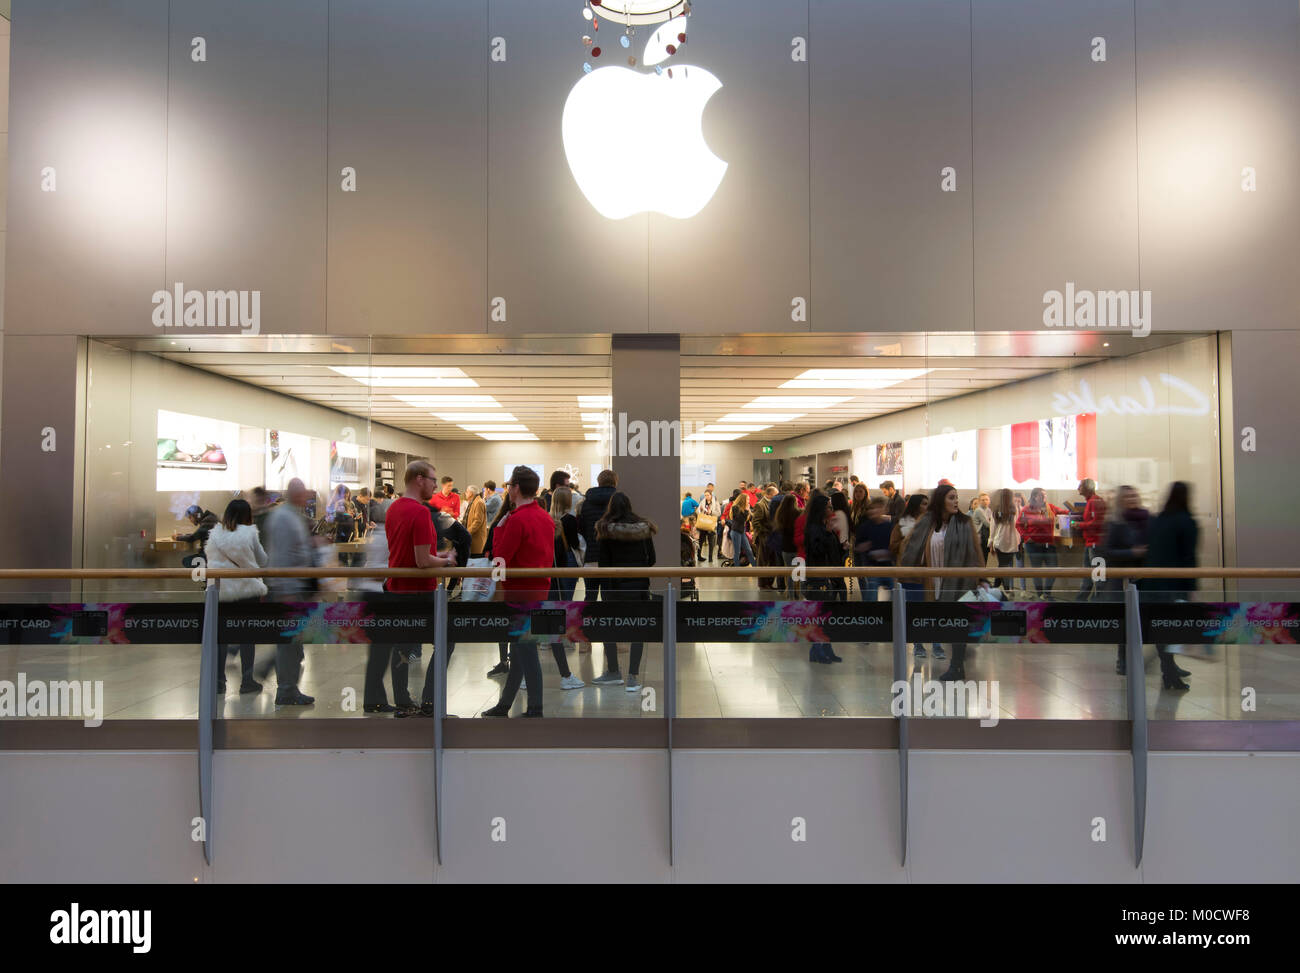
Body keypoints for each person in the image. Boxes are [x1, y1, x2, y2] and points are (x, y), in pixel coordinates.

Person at [366, 461, 458, 716]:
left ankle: (403, 701)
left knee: (402, 646)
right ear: (419, 479)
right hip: (419, 591)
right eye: (432, 479)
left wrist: (435, 554)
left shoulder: (395, 508)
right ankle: (429, 702)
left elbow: (410, 552)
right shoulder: (418, 512)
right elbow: (422, 561)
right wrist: (446, 560)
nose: (435, 485)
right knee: (446, 641)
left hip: (397, 589)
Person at [482, 466, 555, 717]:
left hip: (518, 593)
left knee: (526, 651)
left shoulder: (516, 520)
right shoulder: (543, 516)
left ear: (515, 488)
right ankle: (504, 705)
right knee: (521, 649)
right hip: (538, 590)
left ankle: (535, 707)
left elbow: (500, 557)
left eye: (509, 485)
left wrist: (500, 528)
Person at [900, 483, 988, 681]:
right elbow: (912, 546)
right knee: (946, 625)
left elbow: (975, 551)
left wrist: (981, 578)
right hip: (934, 583)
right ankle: (956, 666)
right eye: (951, 497)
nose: (956, 501)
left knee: (957, 625)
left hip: (959, 583)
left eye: (957, 497)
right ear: (940, 501)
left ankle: (956, 666)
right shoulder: (926, 522)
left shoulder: (964, 523)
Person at [591, 491, 657, 692]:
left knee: (608, 627)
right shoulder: (643, 529)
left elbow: (603, 564)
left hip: (613, 588)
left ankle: (613, 672)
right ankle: (633, 677)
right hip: (639, 587)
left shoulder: (605, 530)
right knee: (638, 629)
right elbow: (651, 559)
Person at [261, 478, 318, 706]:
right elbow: (283, 555)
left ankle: (279, 677)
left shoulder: (291, 515)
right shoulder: (284, 518)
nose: (307, 498)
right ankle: (286, 689)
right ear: (297, 493)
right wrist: (286, 590)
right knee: (290, 641)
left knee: (294, 640)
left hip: (295, 586)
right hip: (289, 588)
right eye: (304, 494)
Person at [205, 498, 268, 695]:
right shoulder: (250, 533)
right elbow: (263, 560)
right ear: (247, 515)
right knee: (247, 636)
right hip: (247, 590)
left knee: (221, 637)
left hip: (220, 590)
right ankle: (247, 681)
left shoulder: (214, 534)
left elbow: (209, 559)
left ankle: (219, 682)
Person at [1141, 482, 1199, 691]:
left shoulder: (1157, 520)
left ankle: (1169, 667)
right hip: (1175, 584)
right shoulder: (1186, 522)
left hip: (1154, 583)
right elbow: (1188, 558)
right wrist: (1192, 587)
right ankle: (1168, 671)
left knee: (1163, 627)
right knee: (1172, 628)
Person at [1100, 485, 1152, 676]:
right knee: (1125, 622)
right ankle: (1123, 659)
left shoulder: (1146, 519)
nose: (1132, 499)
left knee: (1144, 620)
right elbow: (1107, 551)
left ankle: (1162, 664)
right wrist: (1132, 552)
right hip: (1121, 581)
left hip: (1143, 579)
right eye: (1128, 496)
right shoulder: (1115, 523)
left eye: (1134, 495)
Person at [890, 493, 939, 659]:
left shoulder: (933, 524)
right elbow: (893, 546)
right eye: (924, 504)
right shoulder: (904, 524)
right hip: (910, 574)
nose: (927, 507)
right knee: (916, 611)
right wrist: (909, 541)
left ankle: (937, 644)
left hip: (929, 574)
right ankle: (918, 644)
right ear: (917, 505)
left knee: (932, 610)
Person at [545, 486, 585, 690]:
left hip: (537, 579)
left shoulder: (545, 519)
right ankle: (565, 674)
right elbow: (568, 549)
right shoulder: (566, 522)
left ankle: (524, 676)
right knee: (561, 605)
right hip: (558, 574)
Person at [802, 493, 843, 663]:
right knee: (820, 616)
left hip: (828, 576)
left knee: (826, 616)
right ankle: (817, 651)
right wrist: (827, 534)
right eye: (828, 507)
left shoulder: (824, 526)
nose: (831, 510)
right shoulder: (814, 529)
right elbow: (817, 551)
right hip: (818, 579)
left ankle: (826, 649)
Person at [1016, 487, 1066, 598]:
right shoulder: (1027, 509)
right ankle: (1040, 594)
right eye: (1041, 495)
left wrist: (1077, 512)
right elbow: (1018, 524)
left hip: (1049, 544)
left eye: (1045, 495)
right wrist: (1026, 537)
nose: (1044, 497)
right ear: (1034, 496)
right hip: (1033, 545)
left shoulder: (1050, 507)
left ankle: (1046, 593)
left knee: (1053, 569)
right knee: (1037, 571)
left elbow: (1064, 512)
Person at [854, 497, 894, 601]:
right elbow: (857, 547)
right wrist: (863, 548)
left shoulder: (889, 526)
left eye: (877, 508)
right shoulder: (865, 527)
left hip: (889, 568)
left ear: (884, 510)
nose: (874, 511)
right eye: (871, 509)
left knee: (895, 594)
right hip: (872, 567)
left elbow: (894, 545)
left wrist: (889, 553)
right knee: (871, 596)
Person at [1074, 478, 1107, 602]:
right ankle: (1081, 601)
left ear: (1088, 488)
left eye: (1080, 486)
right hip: (1090, 543)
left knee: (1098, 577)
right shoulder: (1091, 502)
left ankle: (1098, 601)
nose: (1078, 488)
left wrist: (1080, 525)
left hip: (1096, 544)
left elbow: (1098, 522)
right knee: (1087, 575)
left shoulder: (1095, 501)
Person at [989, 488, 1020, 591]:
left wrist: (991, 543)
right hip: (1011, 541)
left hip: (999, 541)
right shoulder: (1014, 509)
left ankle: (996, 588)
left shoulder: (997, 509)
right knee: (1004, 566)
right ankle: (1004, 589)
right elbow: (1018, 525)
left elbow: (993, 528)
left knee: (1002, 566)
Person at [728, 492, 758, 567]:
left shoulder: (746, 507)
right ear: (743, 499)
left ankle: (755, 567)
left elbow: (751, 517)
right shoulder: (736, 507)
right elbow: (740, 519)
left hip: (742, 532)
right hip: (735, 532)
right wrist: (746, 510)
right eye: (747, 499)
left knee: (749, 550)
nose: (749, 500)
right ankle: (737, 569)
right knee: (737, 552)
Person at [695, 485, 719, 563]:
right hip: (703, 524)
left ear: (711, 495)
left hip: (711, 524)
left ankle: (710, 558)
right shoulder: (702, 502)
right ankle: (699, 556)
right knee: (700, 541)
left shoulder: (716, 502)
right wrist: (700, 510)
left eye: (708, 495)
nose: (706, 496)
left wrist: (711, 512)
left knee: (711, 542)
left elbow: (719, 513)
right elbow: (697, 512)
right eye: (705, 495)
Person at [464, 483, 488, 557]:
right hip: (473, 537)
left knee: (476, 563)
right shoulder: (474, 502)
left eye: (467, 492)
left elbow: (478, 521)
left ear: (471, 493)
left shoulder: (479, 502)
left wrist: (467, 532)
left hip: (476, 539)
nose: (465, 493)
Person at [971, 493, 992, 565]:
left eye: (986, 499)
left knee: (984, 557)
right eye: (982, 500)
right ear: (979, 502)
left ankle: (982, 574)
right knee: (981, 558)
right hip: (979, 537)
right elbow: (988, 524)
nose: (985, 501)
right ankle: (980, 575)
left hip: (985, 536)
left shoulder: (988, 510)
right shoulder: (978, 510)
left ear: (989, 501)